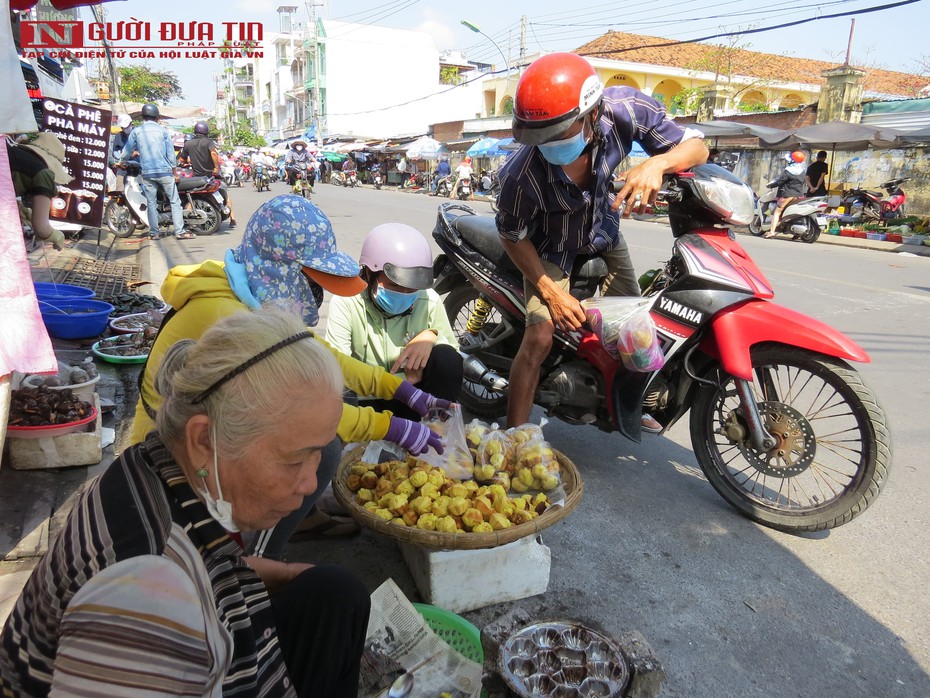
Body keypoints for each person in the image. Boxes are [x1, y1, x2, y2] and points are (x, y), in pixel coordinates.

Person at [0, 307, 371, 697]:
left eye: (318, 454)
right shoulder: (142, 604)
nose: (310, 483)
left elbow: (205, 563)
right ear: (203, 440)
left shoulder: (155, 464)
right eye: (295, 459)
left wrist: (284, 572)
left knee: (334, 594)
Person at [129, 195, 449, 558]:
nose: (317, 294)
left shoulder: (246, 291)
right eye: (311, 279)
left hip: (220, 433)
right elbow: (295, 408)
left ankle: (302, 516)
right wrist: (394, 427)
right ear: (282, 270)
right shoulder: (227, 315)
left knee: (320, 437)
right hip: (174, 459)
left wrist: (400, 389)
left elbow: (320, 354)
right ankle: (257, 560)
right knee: (319, 443)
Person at [494, 52, 708, 431]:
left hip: (604, 234)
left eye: (558, 134)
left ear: (592, 114)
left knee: (637, 327)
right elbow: (512, 235)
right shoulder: (520, 174)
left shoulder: (626, 110)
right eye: (538, 138)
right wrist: (551, 292)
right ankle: (514, 441)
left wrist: (657, 163)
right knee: (540, 337)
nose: (547, 146)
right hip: (548, 249)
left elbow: (697, 148)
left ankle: (625, 400)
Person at [325, 223, 463, 421]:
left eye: (411, 288)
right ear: (370, 274)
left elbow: (452, 359)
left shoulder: (429, 299)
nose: (405, 294)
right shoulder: (346, 302)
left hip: (413, 402)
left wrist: (431, 336)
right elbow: (339, 374)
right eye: (394, 285)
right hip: (366, 403)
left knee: (447, 358)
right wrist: (403, 381)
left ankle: (434, 430)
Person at [121, 103, 194, 240]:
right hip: (165, 172)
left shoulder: (136, 131)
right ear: (157, 117)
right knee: (174, 201)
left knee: (151, 203)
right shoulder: (163, 131)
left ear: (143, 116)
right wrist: (174, 171)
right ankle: (179, 230)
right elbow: (171, 155)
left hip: (148, 173)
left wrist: (121, 160)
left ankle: (154, 233)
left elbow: (127, 151)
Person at [5, 132, 69, 251]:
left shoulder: (15, 155)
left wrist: (19, 208)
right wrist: (56, 236)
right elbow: (41, 228)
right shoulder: (44, 173)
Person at [178, 120, 238, 229]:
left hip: (197, 177)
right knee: (225, 195)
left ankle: (186, 222)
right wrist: (216, 167)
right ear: (206, 131)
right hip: (211, 176)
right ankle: (232, 219)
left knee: (189, 195)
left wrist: (187, 162)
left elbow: (182, 159)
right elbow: (214, 153)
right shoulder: (209, 142)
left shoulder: (188, 144)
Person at [765, 150, 807, 238]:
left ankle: (772, 231)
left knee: (777, 212)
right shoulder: (802, 172)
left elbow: (780, 181)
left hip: (787, 195)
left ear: (792, 160)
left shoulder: (788, 170)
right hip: (798, 195)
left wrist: (771, 185)